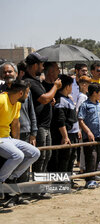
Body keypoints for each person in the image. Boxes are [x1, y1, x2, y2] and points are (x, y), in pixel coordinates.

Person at [24, 54, 61, 197]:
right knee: (40, 157)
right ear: (35, 65)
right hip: (38, 125)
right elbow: (44, 98)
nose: (43, 67)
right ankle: (37, 189)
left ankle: (41, 186)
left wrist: (50, 99)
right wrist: (55, 88)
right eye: (41, 64)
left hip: (44, 125)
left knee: (46, 155)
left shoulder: (36, 81)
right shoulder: (29, 82)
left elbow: (44, 99)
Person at [0, 79, 40, 207]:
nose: (28, 96)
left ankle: (11, 178)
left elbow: (15, 124)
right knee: (18, 155)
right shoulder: (2, 99)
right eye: (27, 93)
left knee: (35, 152)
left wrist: (15, 142)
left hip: (7, 138)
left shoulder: (17, 103)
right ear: (21, 93)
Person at [78, 82, 100, 189]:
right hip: (90, 136)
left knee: (99, 157)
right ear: (94, 93)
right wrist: (88, 132)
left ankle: (95, 175)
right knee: (91, 157)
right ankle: (89, 180)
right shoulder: (85, 105)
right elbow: (81, 120)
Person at [48, 75, 79, 177]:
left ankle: (69, 179)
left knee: (71, 158)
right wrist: (65, 136)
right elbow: (60, 120)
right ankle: (62, 181)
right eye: (71, 85)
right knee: (64, 159)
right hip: (66, 134)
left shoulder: (68, 99)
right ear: (67, 87)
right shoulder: (60, 101)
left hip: (73, 133)